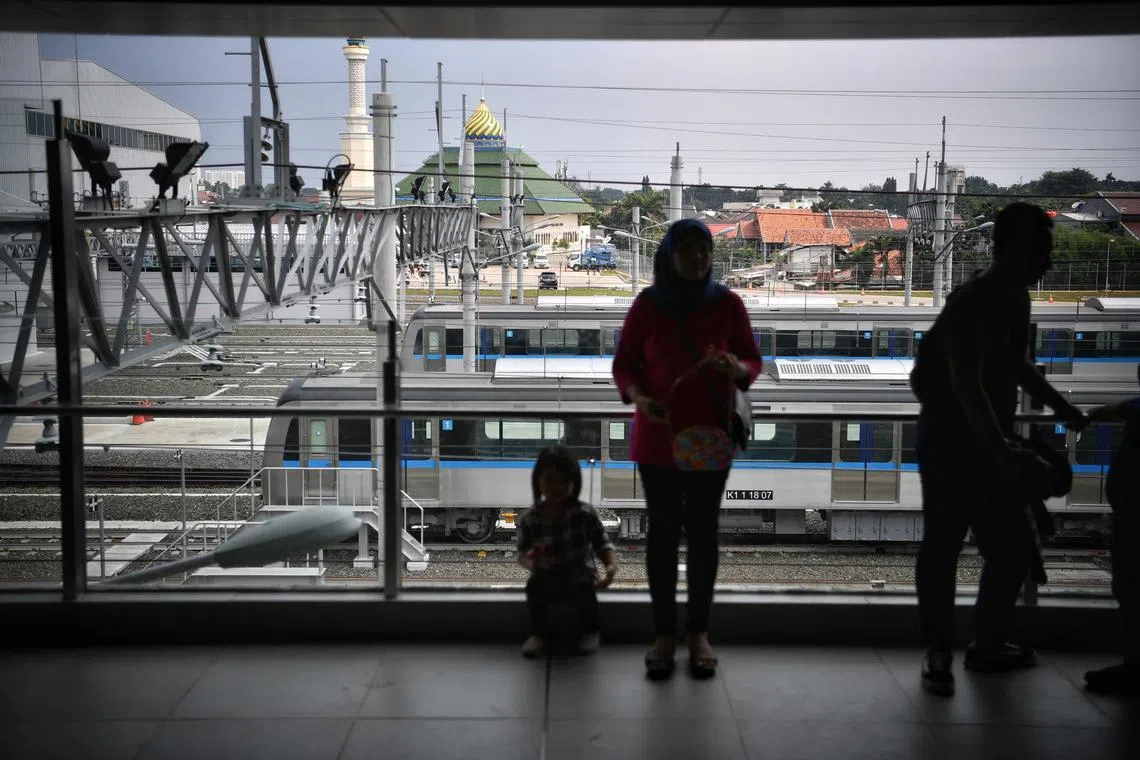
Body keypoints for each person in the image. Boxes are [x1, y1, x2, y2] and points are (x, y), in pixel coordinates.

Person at [908, 202, 1088, 696]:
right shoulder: (974, 302)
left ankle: (971, 647)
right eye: (1041, 250)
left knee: (993, 550)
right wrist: (1003, 452)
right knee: (962, 547)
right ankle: (948, 650)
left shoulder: (1012, 299)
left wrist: (1061, 409)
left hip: (977, 441)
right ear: (1009, 248)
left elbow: (1016, 366)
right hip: (953, 443)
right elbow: (969, 387)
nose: (1046, 262)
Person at [611, 218, 763, 680]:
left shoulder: (729, 304)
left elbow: (752, 362)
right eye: (688, 250)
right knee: (661, 538)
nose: (698, 258)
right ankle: (663, 634)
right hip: (657, 438)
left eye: (704, 249)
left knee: (702, 537)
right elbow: (624, 367)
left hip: (709, 437)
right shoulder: (647, 305)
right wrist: (639, 398)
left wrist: (734, 365)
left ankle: (697, 633)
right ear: (669, 255)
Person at [517, 445, 618, 659]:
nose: (557, 487)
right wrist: (533, 563)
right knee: (534, 586)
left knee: (583, 586)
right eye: (550, 479)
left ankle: (591, 630)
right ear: (539, 482)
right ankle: (539, 633)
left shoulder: (584, 513)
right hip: (547, 570)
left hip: (579, 568)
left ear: (575, 483)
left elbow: (602, 543)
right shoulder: (530, 517)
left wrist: (610, 567)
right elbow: (523, 552)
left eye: (564, 481)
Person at [1084, 363, 1140, 695]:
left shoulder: (1136, 408)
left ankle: (1134, 666)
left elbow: (1105, 410)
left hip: (1133, 519)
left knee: (1132, 587)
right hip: (1130, 514)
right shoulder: (1135, 407)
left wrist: (1084, 417)